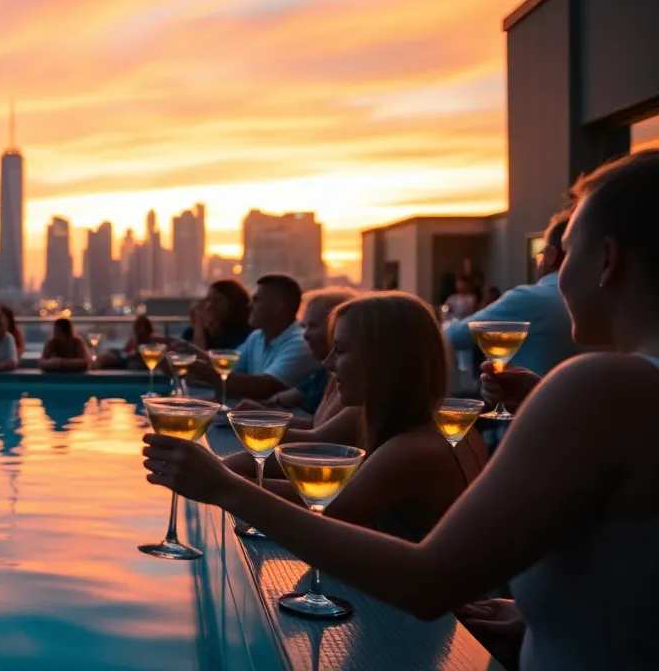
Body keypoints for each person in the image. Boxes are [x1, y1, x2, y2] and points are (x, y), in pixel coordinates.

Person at [142, 149, 659, 669]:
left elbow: (425, 583)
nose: (555, 276)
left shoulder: (602, 386)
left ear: (608, 260)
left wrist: (227, 489)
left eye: (565, 255)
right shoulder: (617, 393)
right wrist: (543, 618)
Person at [225, 292, 487, 540]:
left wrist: (222, 480)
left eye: (339, 350)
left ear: (382, 359)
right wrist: (232, 468)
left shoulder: (414, 450)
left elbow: (329, 510)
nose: (327, 364)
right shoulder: (437, 425)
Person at [445, 211, 580, 378]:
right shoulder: (602, 301)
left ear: (550, 256)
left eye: (540, 255)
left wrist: (444, 323)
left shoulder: (529, 298)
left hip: (530, 403)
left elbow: (455, 337)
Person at [236, 287, 356, 425]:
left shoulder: (348, 380)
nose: (305, 335)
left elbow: (319, 432)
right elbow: (286, 400)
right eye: (304, 326)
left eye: (313, 326)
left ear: (338, 329)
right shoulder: (324, 373)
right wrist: (261, 411)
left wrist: (255, 425)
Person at [193, 274, 318, 399]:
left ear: (278, 306)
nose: (249, 305)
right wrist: (192, 354)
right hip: (257, 414)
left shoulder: (301, 343)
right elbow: (227, 366)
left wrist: (201, 365)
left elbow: (264, 388)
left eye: (256, 300)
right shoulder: (257, 336)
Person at [183, 280, 253, 351]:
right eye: (208, 299)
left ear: (233, 305)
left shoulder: (245, 336)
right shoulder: (191, 333)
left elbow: (200, 359)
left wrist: (199, 329)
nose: (209, 306)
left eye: (217, 300)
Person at [99, 314, 168, 369]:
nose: (138, 329)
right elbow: (124, 352)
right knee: (106, 357)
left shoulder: (153, 339)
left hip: (131, 362)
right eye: (137, 326)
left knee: (109, 359)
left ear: (147, 328)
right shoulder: (134, 340)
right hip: (126, 359)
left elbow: (166, 344)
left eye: (141, 326)